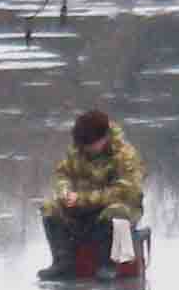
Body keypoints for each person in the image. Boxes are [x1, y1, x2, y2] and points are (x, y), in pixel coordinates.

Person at [40, 108, 145, 280]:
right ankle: (62, 262)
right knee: (49, 207)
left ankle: (108, 264)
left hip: (119, 210)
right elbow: (62, 174)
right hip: (84, 209)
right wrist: (65, 192)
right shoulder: (77, 151)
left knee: (116, 212)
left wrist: (83, 199)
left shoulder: (125, 156)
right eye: (83, 145)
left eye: (90, 145)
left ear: (104, 138)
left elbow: (126, 192)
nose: (87, 149)